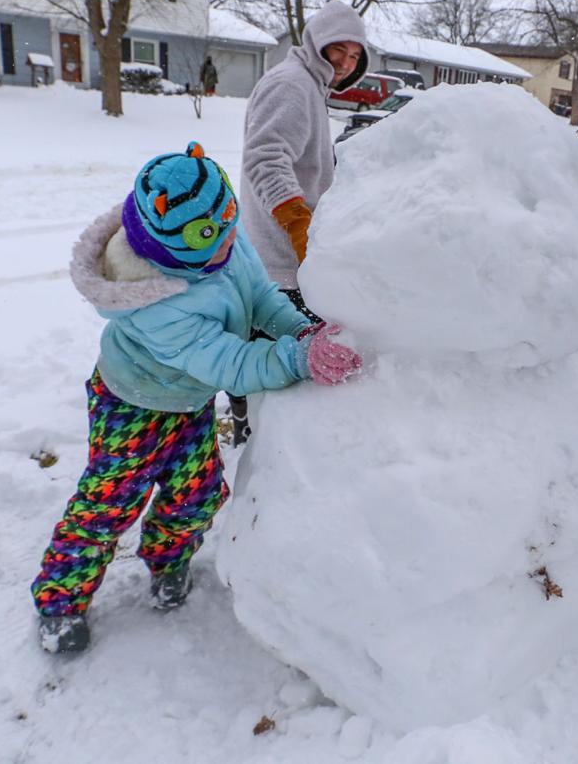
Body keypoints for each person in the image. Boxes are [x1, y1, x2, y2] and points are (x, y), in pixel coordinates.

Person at [31, 142, 362, 653]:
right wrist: (298, 360)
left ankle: (167, 562)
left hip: (188, 403)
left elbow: (259, 298)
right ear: (169, 244)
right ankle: (59, 597)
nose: (229, 234)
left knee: (199, 493)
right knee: (109, 503)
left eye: (229, 215)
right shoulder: (154, 302)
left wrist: (301, 332)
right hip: (132, 406)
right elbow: (230, 361)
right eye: (210, 231)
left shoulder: (222, 242)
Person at [229, 0, 368, 445]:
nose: (345, 64)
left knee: (265, 352)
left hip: (281, 256)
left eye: (354, 57)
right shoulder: (292, 85)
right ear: (317, 42)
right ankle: (252, 435)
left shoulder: (309, 87)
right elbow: (265, 158)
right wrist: (298, 226)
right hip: (278, 259)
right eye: (338, 52)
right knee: (276, 356)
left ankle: (250, 428)